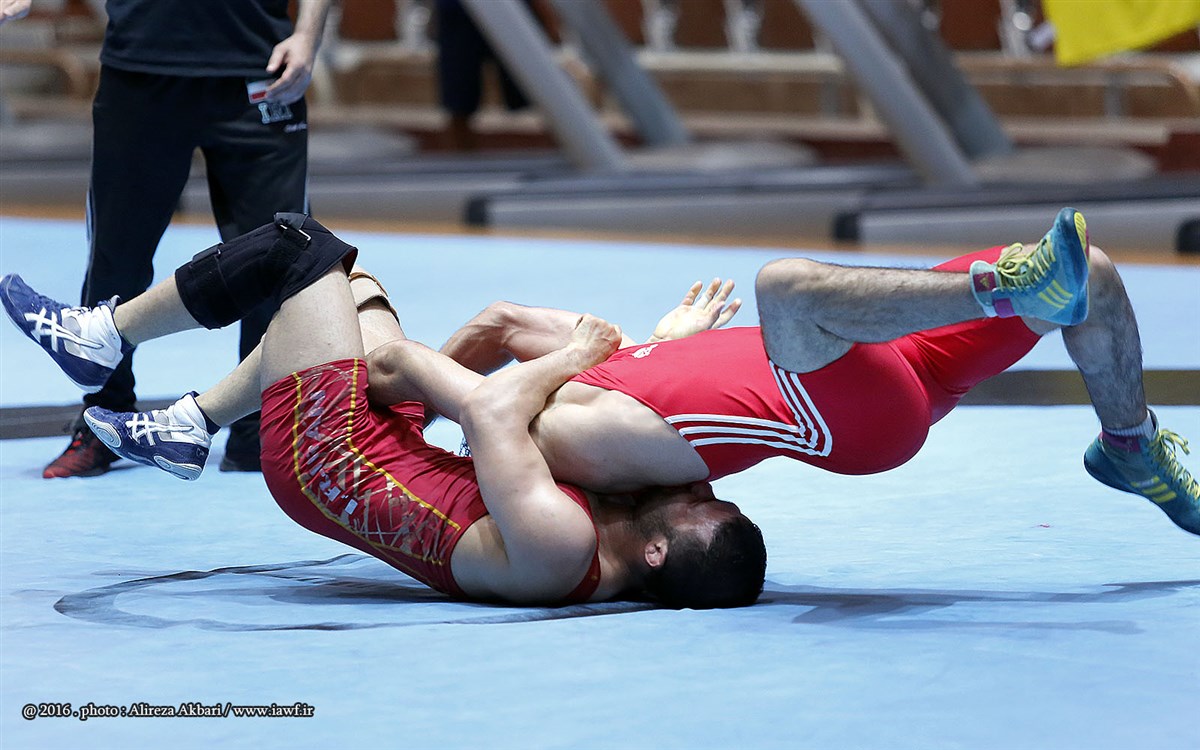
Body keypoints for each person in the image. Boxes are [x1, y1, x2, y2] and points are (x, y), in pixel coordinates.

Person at [1, 214, 766, 608]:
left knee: (301, 250)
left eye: (703, 508)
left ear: (657, 554)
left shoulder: (563, 550)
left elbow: (494, 415)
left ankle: (103, 339)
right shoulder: (630, 518)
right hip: (385, 447)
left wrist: (575, 359)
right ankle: (191, 426)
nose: (702, 488)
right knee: (351, 290)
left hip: (329, 465)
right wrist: (661, 347)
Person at [0, 0, 333, 478]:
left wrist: (308, 35)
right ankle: (101, 421)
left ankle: (262, 429)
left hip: (261, 70)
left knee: (283, 255)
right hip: (140, 70)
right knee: (117, 260)